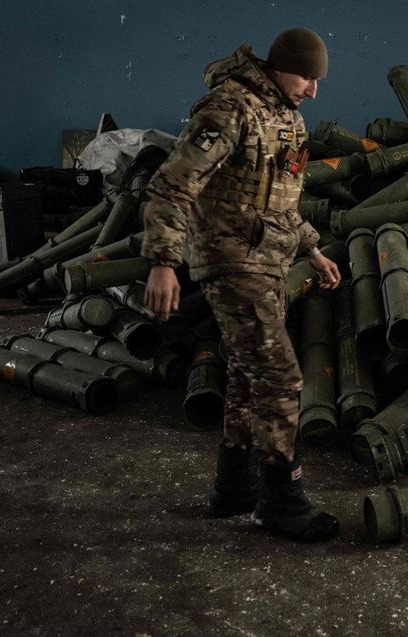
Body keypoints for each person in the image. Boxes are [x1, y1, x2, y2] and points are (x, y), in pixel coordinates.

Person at [140, 28, 341, 543]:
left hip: (269, 260)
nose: (313, 90)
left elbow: (279, 203)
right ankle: (281, 501)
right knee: (280, 377)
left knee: (250, 379)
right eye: (305, 76)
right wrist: (163, 261)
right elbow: (172, 185)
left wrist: (312, 250)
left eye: (318, 80)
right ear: (277, 66)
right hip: (230, 260)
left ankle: (235, 489)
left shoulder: (287, 118)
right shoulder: (229, 108)